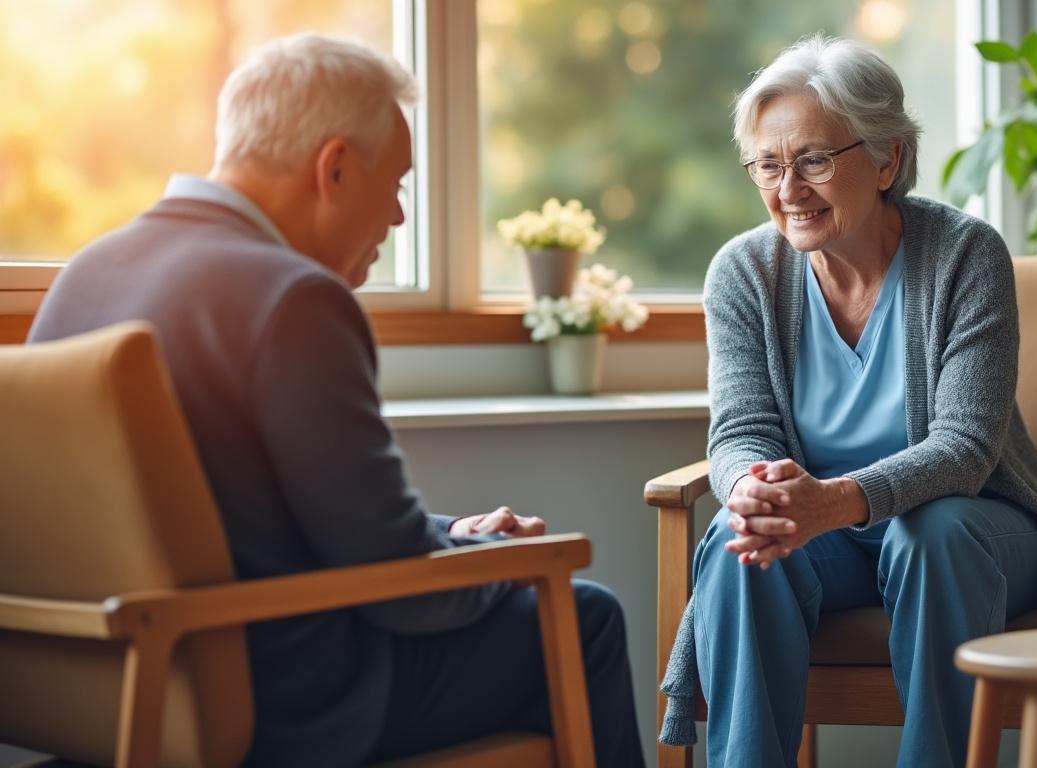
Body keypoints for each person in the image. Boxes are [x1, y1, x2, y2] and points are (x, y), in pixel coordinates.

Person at [28, 33, 643, 767]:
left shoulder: (84, 275)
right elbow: (404, 594)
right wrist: (501, 562)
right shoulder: (292, 299)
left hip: (119, 692)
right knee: (583, 618)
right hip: (282, 699)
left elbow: (251, 523)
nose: (399, 221)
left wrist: (453, 535)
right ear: (337, 167)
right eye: (399, 185)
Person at [659, 35, 1037, 767]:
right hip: (823, 540)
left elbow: (965, 449)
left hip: (977, 529)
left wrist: (832, 502)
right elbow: (740, 429)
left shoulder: (966, 254)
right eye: (767, 165)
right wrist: (753, 490)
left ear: (886, 159)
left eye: (812, 160)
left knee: (931, 533)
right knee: (745, 545)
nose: (788, 189)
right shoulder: (743, 272)